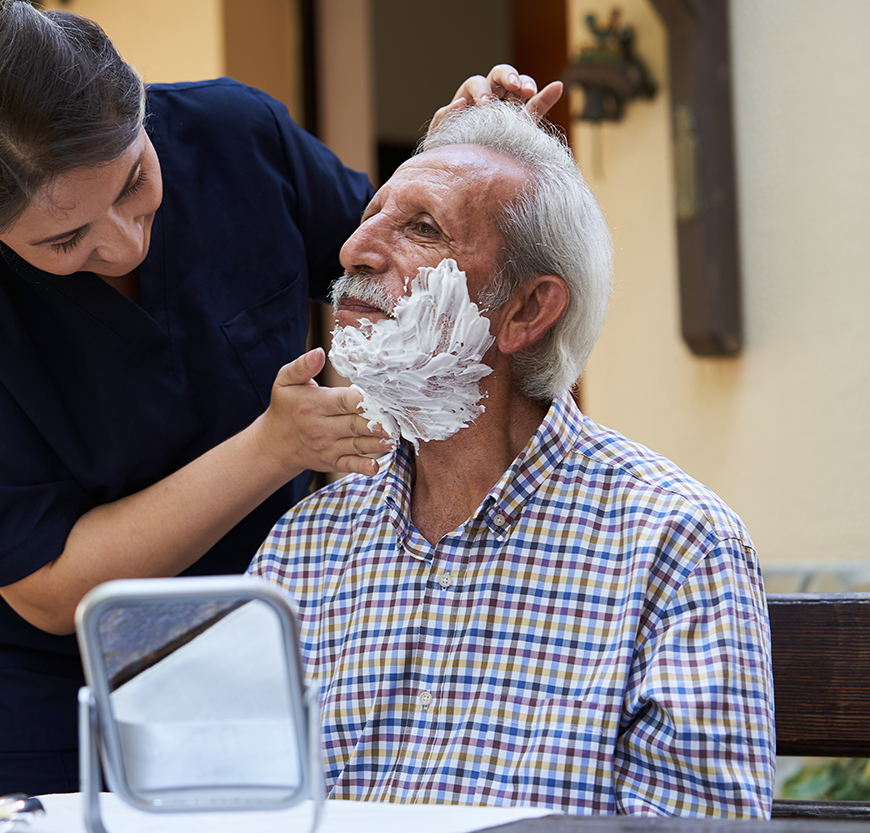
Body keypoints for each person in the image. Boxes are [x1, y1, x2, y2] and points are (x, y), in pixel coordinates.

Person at [0, 0, 557, 796]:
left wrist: (450, 167)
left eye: (135, 180)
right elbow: (51, 584)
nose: (127, 240)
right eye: (65, 242)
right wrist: (272, 448)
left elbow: (387, 271)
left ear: (138, 109)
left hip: (248, 634)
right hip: (32, 689)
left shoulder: (236, 137)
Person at [249, 101, 774, 816]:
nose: (354, 251)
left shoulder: (674, 544)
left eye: (422, 227)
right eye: (369, 216)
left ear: (526, 310)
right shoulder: (305, 547)